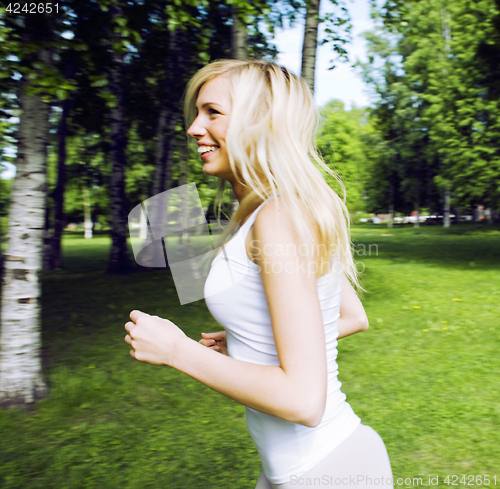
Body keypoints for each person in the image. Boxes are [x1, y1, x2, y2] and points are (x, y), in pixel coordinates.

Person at [124, 59, 393, 488]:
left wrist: (176, 350)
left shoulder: (278, 216)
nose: (194, 128)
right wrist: (248, 341)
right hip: (302, 469)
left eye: (212, 112)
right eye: (196, 113)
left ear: (259, 121)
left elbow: (304, 401)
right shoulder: (277, 210)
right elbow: (350, 316)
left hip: (326, 471)